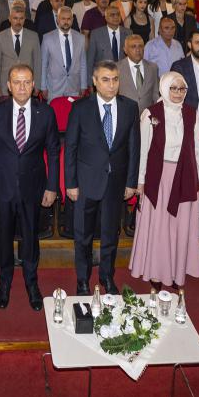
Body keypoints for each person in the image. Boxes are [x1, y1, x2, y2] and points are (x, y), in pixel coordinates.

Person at [0, 64, 59, 311]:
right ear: (9, 86)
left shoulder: (46, 113)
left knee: (31, 238)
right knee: (3, 238)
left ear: (33, 85)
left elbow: (53, 153)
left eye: (26, 82)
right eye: (17, 82)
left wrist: (52, 187)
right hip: (2, 188)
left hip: (33, 188)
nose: (22, 87)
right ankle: (4, 283)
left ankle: (31, 283)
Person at [63, 61, 140, 295]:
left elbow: (134, 148)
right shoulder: (80, 108)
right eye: (105, 79)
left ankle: (107, 276)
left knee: (110, 235)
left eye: (115, 79)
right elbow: (71, 148)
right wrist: (71, 183)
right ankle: (82, 280)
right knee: (83, 236)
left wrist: (131, 182)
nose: (111, 84)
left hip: (115, 184)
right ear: (95, 81)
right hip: (85, 183)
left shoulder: (130, 107)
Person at [129, 72, 199, 289]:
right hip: (159, 178)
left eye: (182, 89)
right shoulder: (150, 114)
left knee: (179, 227)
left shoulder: (192, 114)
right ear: (164, 88)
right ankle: (156, 272)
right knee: (160, 228)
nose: (178, 93)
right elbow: (143, 151)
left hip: (185, 175)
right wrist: (140, 182)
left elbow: (198, 149)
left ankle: (175, 272)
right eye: (174, 88)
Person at [41, 6, 88, 101]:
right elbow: (43, 64)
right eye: (63, 19)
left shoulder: (81, 38)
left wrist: (83, 85)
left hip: (74, 88)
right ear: (57, 20)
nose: (66, 22)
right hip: (54, 89)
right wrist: (43, 86)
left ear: (72, 20)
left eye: (69, 19)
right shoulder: (47, 38)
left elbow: (83, 63)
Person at [0, 6, 40, 97]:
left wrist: (37, 85)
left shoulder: (34, 36)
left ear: (24, 19)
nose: (18, 21)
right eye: (15, 18)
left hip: (27, 86)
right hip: (6, 85)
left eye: (21, 18)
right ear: (9, 19)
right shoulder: (0, 37)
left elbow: (37, 62)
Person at [118, 34, 160, 111]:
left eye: (140, 46)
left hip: (147, 114)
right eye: (133, 46)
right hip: (125, 113)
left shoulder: (153, 67)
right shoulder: (117, 68)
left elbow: (155, 93)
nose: (138, 50)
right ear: (125, 50)